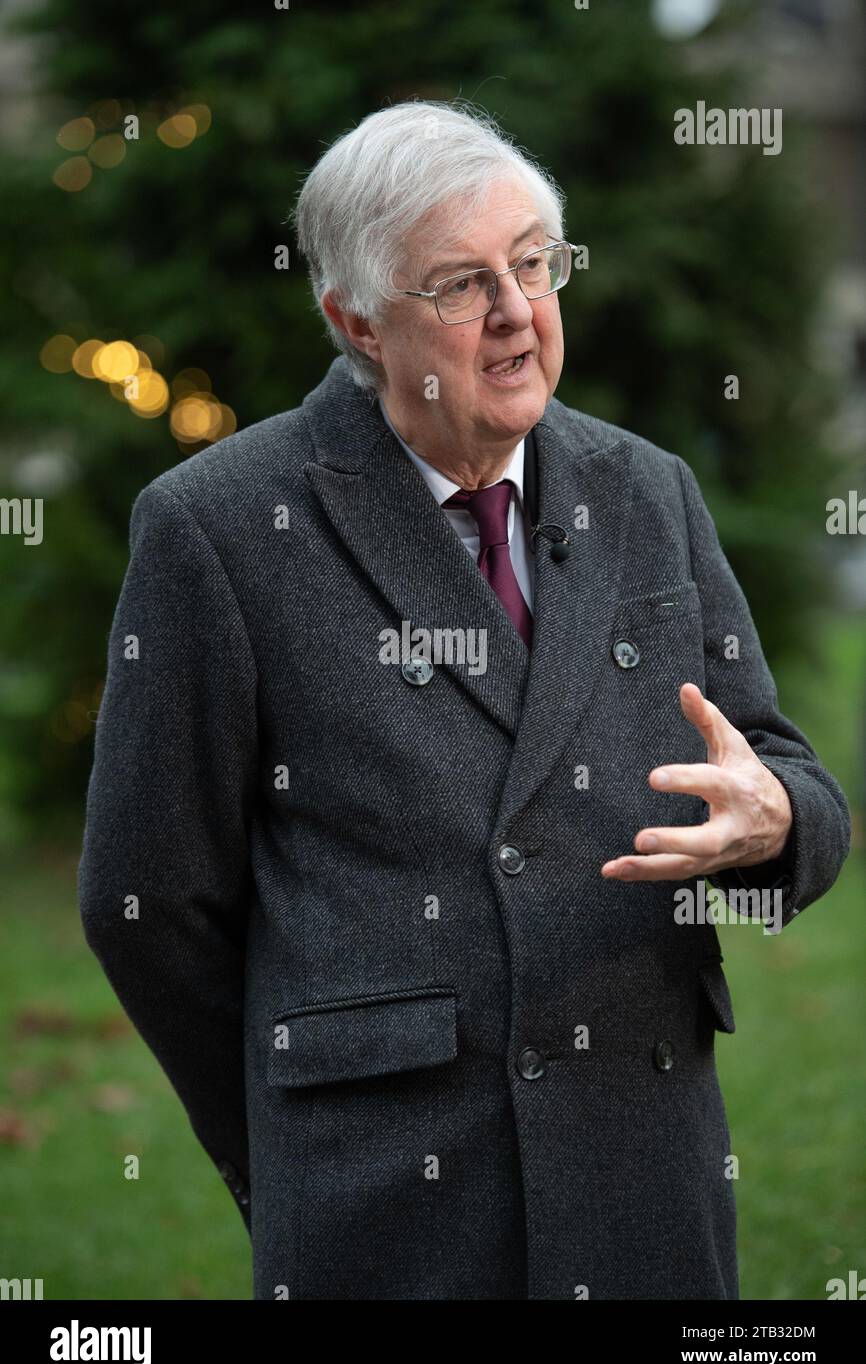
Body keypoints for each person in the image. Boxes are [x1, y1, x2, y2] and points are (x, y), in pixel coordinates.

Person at [78, 98, 851, 1300]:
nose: (515, 314)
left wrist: (781, 824)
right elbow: (146, 899)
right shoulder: (218, 528)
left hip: (643, 1174)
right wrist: (283, 1148)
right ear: (355, 322)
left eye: (533, 265)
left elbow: (780, 771)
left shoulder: (645, 490)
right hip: (385, 1203)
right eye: (458, 284)